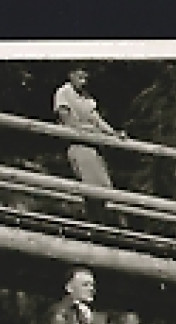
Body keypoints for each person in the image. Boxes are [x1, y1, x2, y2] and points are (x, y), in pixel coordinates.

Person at [53, 67, 124, 221]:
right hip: (78, 145)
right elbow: (67, 121)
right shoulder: (63, 93)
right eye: (80, 77)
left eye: (86, 78)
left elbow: (97, 120)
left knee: (104, 188)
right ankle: (95, 227)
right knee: (94, 190)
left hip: (94, 146)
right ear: (71, 75)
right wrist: (91, 130)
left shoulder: (86, 97)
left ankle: (101, 227)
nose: (83, 82)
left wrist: (113, 133)